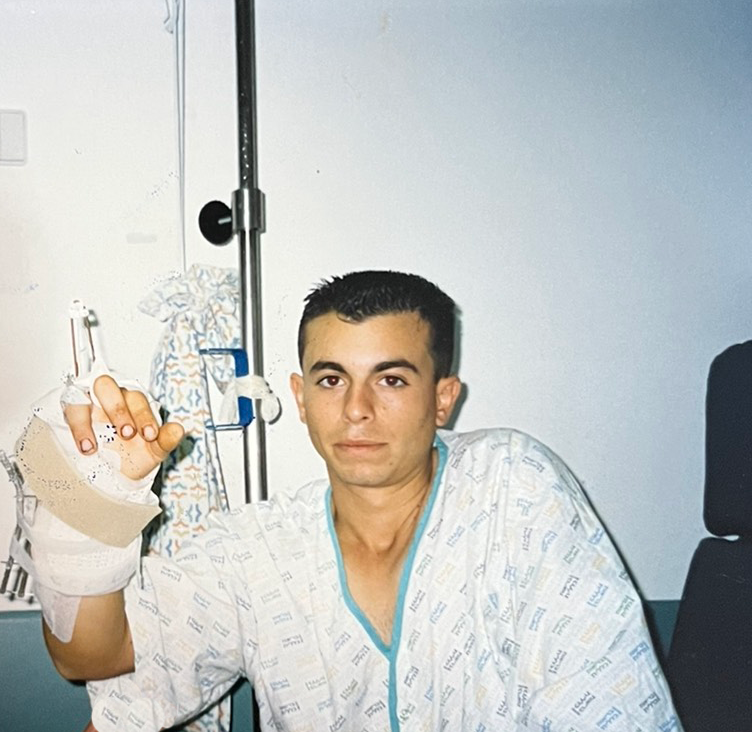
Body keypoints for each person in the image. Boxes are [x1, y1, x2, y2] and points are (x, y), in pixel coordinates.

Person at [32, 270, 680, 731]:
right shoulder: (259, 552)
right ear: (303, 396)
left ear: (444, 398)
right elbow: (87, 655)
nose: (357, 409)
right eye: (332, 379)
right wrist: (82, 504)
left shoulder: (512, 489)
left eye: (392, 379)